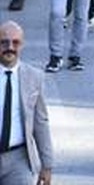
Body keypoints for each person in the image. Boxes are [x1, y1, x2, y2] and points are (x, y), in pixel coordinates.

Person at [0, 20, 54, 185]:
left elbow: (40, 123)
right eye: (4, 42)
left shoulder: (34, 77)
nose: (10, 47)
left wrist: (47, 165)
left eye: (15, 42)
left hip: (18, 159)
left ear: (22, 45)